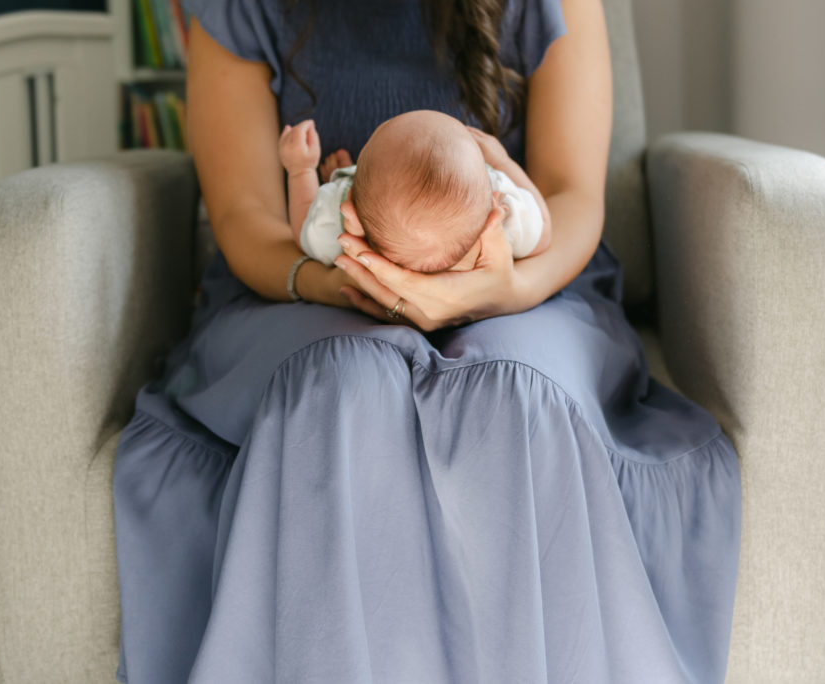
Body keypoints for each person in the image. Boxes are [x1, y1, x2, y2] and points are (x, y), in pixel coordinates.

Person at [112, 0, 742, 682]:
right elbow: (244, 216)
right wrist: (339, 280)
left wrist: (501, 290)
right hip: (300, 290)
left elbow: (571, 199)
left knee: (509, 389)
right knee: (344, 383)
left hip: (526, 290)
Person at [278, 110, 551, 273]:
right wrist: (503, 161)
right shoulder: (504, 214)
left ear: (352, 203)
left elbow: (304, 230)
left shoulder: (337, 220)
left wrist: (300, 170)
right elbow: (544, 230)